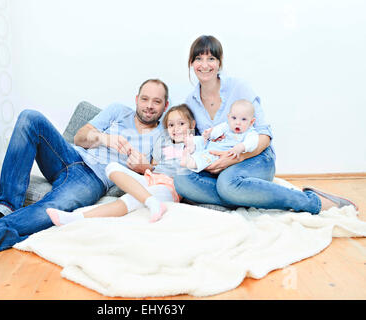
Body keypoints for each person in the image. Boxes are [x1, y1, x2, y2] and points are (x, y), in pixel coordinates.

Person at [0, 79, 169, 263]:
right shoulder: (117, 112)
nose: (149, 106)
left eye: (156, 102)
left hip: (92, 179)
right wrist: (105, 138)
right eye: (145, 99)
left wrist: (143, 168)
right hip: (69, 155)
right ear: (136, 99)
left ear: (165, 105)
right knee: (30, 117)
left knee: (52, 207)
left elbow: (157, 173)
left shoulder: (162, 134)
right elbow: (79, 137)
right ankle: (5, 206)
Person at [174, 35, 358, 214]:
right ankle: (244, 196)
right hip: (218, 166)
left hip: (256, 157)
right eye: (198, 58)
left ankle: (311, 200)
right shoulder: (190, 101)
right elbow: (196, 143)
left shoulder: (239, 88)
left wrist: (235, 158)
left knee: (226, 184)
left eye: (211, 58)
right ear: (191, 62)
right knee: (181, 180)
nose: (204, 65)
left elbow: (264, 135)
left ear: (220, 62)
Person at [46, 104, 195, 225]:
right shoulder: (163, 143)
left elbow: (196, 165)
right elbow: (153, 167)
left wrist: (193, 143)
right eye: (171, 125)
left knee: (129, 200)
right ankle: (151, 201)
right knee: (112, 167)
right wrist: (142, 164)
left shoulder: (196, 144)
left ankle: (75, 218)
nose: (175, 129)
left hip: (169, 188)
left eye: (181, 124)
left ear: (192, 124)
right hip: (150, 179)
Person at [181, 99, 259, 172]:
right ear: (228, 117)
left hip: (221, 153)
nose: (237, 122)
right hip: (212, 144)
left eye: (243, 119)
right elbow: (216, 131)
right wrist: (209, 134)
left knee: (209, 158)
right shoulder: (226, 126)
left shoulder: (250, 132)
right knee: (201, 139)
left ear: (251, 122)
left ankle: (191, 162)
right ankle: (192, 146)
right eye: (234, 118)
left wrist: (241, 147)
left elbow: (253, 142)